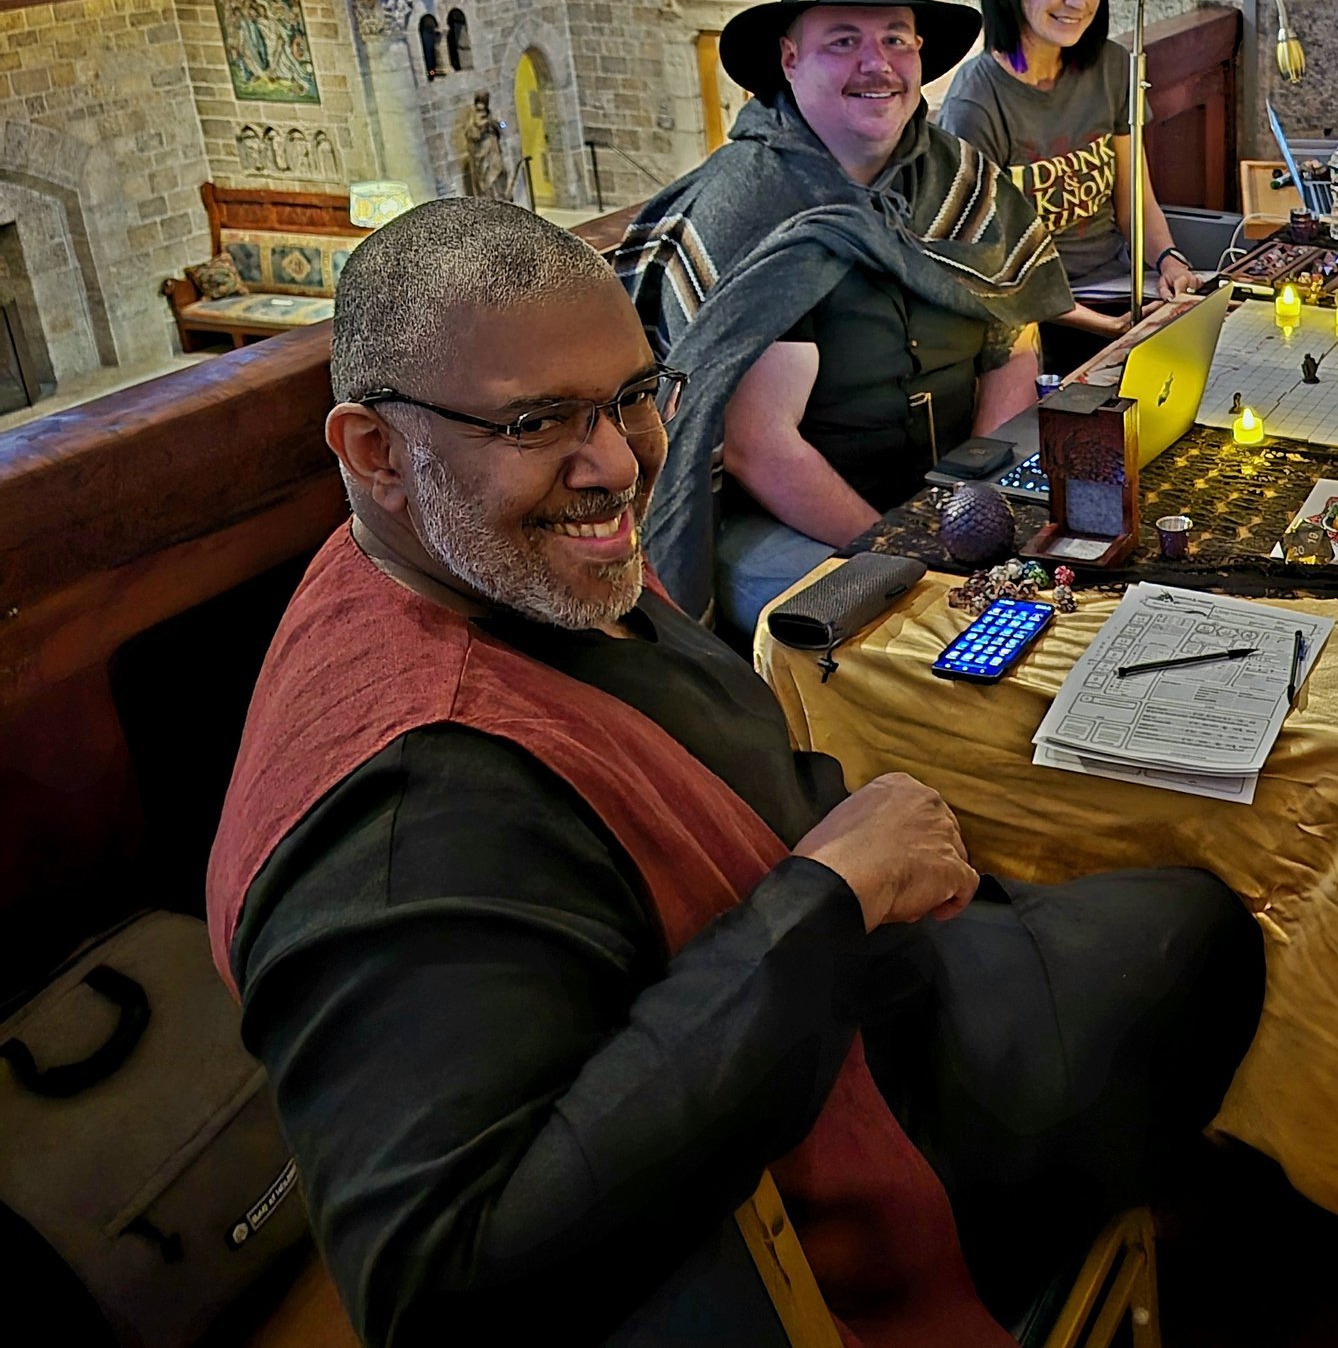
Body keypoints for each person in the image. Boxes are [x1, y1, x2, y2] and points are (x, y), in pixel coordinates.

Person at [208, 200, 1260, 1348]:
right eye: (535, 422)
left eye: (629, 397)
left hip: (859, 985)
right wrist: (825, 899)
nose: (614, 462)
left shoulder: (487, 558)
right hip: (858, 1118)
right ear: (373, 451)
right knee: (1200, 926)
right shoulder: (404, 817)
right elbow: (445, 1288)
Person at [613, 0, 1073, 635]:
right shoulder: (750, 204)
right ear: (789, 60)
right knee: (911, 642)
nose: (877, 64)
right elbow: (757, 444)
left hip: (950, 509)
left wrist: (977, 500)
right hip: (787, 526)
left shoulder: (955, 177)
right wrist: (905, 551)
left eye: (896, 39)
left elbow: (1011, 341)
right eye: (843, 41)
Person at [938, 0, 1194, 350]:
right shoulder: (977, 98)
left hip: (1120, 291)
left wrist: (1170, 262)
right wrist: (1099, 326)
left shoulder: (1113, 66)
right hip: (1027, 323)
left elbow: (1134, 203)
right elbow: (979, 265)